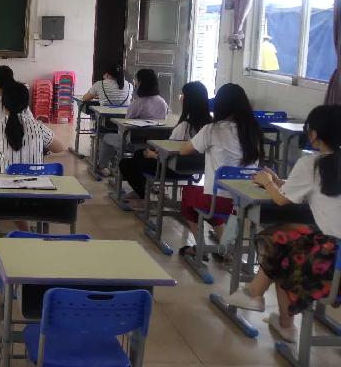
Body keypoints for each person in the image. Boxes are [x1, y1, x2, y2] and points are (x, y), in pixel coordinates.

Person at [224, 105, 341, 343]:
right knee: (288, 242)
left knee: (282, 250)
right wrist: (280, 182)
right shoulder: (327, 166)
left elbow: (280, 201)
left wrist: (268, 182)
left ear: (313, 134)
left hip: (330, 261)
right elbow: (317, 189)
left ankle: (258, 296)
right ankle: (278, 318)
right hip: (335, 256)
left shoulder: (312, 164)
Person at [177, 83, 264, 259]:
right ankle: (225, 247)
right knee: (209, 199)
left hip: (219, 201)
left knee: (188, 193)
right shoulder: (253, 132)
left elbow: (183, 151)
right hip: (247, 202)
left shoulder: (212, 129)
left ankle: (200, 248)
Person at [119, 81, 211, 202]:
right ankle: (146, 190)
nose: (180, 97)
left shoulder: (184, 127)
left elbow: (170, 154)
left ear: (188, 100)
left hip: (174, 168)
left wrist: (152, 154)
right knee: (139, 154)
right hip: (196, 169)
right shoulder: (211, 125)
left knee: (126, 163)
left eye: (182, 94)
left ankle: (144, 195)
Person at [0, 80, 65, 174]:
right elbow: (59, 148)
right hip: (35, 183)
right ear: (26, 105)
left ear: (3, 103)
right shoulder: (38, 127)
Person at [96, 68, 169, 176]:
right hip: (155, 145)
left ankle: (102, 167)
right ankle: (115, 166)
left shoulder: (138, 103)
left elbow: (125, 123)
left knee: (107, 137)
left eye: (137, 81)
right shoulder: (162, 102)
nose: (135, 83)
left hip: (134, 143)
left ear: (140, 83)